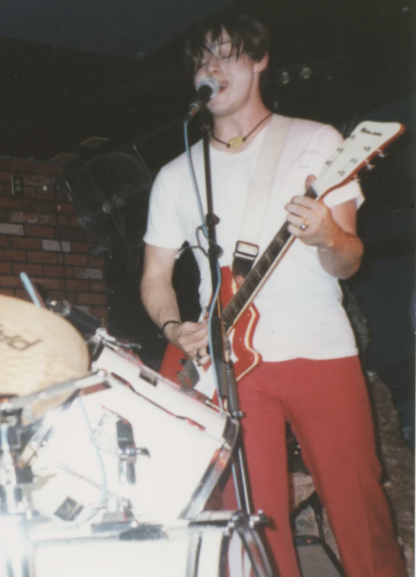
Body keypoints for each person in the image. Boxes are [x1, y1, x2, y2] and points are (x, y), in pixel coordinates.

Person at [139, 12, 406, 577]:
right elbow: (155, 277)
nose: (209, 67)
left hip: (319, 348)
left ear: (260, 61)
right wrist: (172, 329)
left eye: (226, 54)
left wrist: (327, 235)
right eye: (201, 60)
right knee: (255, 523)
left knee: (357, 508)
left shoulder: (317, 142)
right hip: (231, 367)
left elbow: (349, 260)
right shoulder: (174, 174)